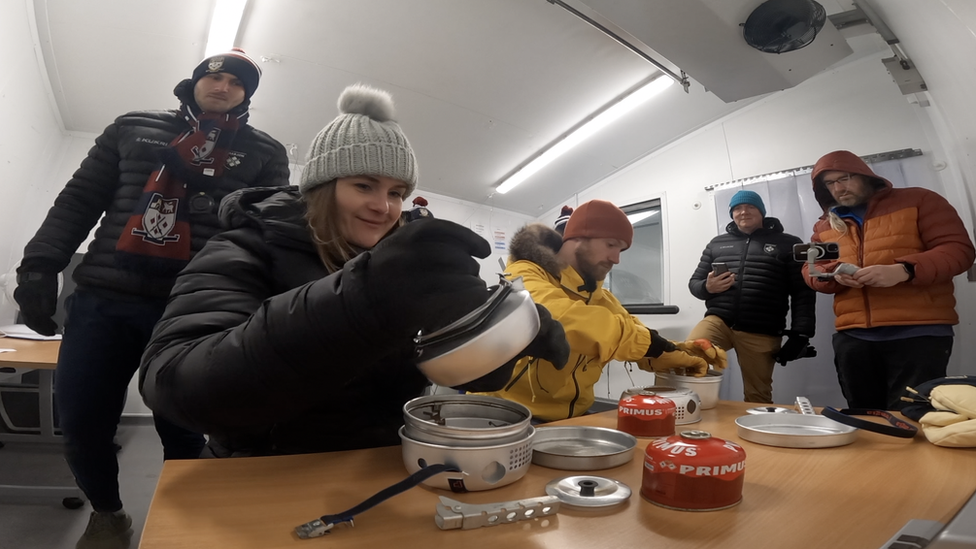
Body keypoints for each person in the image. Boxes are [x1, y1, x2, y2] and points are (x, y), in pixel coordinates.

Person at [139, 84, 568, 457]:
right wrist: (363, 298)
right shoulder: (243, 247)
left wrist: (504, 335)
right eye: (364, 185)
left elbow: (451, 371)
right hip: (263, 473)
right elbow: (177, 386)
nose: (383, 207)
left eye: (397, 192)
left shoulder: (409, 268)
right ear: (323, 188)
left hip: (380, 469)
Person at [13, 48, 289, 548]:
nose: (223, 85)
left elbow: (265, 234)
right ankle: (108, 513)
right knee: (79, 422)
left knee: (184, 429)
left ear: (247, 93)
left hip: (193, 306)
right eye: (216, 76)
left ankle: (180, 522)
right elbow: (78, 199)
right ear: (195, 80)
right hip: (102, 299)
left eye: (236, 81)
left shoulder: (264, 151)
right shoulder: (131, 127)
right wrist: (38, 265)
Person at [483, 199, 727, 421]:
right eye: (611, 245)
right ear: (576, 238)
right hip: (505, 413)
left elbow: (638, 339)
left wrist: (680, 351)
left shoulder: (601, 298)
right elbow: (562, 320)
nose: (616, 259)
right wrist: (650, 344)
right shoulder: (524, 273)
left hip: (572, 418)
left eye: (621, 250)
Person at [805, 150, 975, 410]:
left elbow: (959, 250)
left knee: (912, 418)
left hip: (919, 332)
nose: (838, 187)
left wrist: (905, 270)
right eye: (830, 183)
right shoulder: (825, 224)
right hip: (854, 336)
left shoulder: (920, 200)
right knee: (863, 417)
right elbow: (811, 268)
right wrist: (835, 274)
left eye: (846, 178)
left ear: (865, 175)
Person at [688, 190, 817, 404]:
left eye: (750, 207)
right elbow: (694, 284)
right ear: (732, 214)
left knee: (758, 394)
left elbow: (803, 291)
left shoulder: (788, 243)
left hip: (762, 328)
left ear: (762, 212)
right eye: (737, 208)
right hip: (720, 321)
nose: (743, 212)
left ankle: (755, 433)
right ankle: (690, 411)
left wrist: (801, 335)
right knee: (688, 355)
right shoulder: (717, 244)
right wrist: (707, 287)